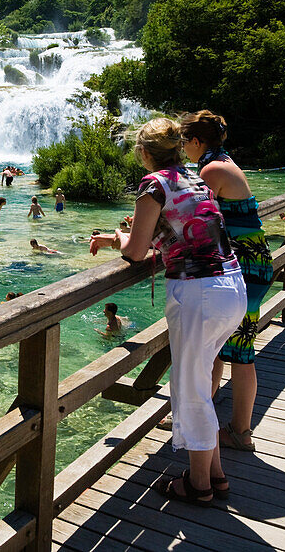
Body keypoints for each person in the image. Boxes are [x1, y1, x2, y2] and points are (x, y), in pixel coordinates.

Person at [89, 117, 245, 506]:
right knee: (199, 387)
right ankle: (215, 475)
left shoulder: (153, 184)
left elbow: (136, 252)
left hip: (199, 294)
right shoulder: (194, 178)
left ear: (143, 152)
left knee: (190, 390)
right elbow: (180, 234)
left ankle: (198, 485)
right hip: (231, 287)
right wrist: (122, 239)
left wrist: (121, 240)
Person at [181, 110, 272, 453]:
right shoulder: (223, 161)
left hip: (244, 266)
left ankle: (239, 431)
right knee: (219, 345)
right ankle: (204, 414)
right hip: (253, 262)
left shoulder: (211, 169)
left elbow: (198, 219)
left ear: (196, 141)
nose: (182, 148)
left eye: (183, 142)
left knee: (241, 352)